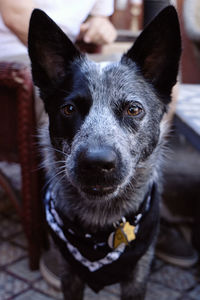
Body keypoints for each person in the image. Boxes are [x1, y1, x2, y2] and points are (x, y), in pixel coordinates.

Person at [0, 0, 117, 59]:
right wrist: (65, 59)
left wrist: (100, 26)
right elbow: (16, 16)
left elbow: (100, 16)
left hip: (66, 54)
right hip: (15, 53)